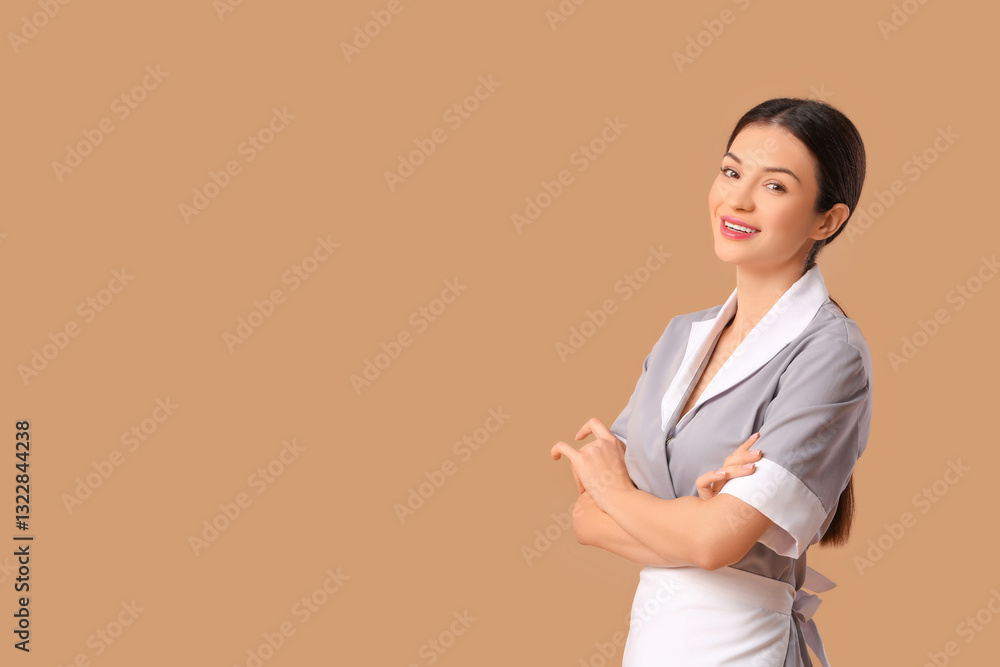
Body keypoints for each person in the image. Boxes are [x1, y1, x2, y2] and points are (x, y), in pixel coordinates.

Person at [550, 97, 873, 666]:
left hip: (743, 646)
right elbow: (583, 520)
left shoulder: (830, 353)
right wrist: (692, 526)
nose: (738, 200)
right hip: (652, 640)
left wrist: (623, 496)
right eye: (730, 172)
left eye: (775, 187)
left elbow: (707, 540)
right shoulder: (681, 337)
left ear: (827, 220)